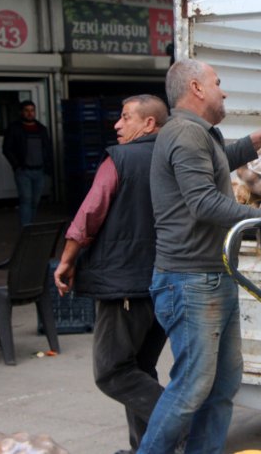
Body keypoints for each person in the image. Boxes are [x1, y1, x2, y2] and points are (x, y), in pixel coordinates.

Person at [136, 59, 261, 454]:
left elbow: (213, 167)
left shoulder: (199, 133)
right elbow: (203, 202)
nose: (224, 90)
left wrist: (256, 140)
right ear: (196, 88)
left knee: (223, 383)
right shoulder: (184, 134)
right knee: (192, 386)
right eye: (218, 83)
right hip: (191, 280)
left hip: (213, 274)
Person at [53, 94, 169, 454]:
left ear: (149, 124)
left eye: (125, 117)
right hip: (166, 283)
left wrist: (68, 258)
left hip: (125, 285)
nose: (117, 125)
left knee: (112, 372)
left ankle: (183, 421)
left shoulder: (121, 158)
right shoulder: (177, 158)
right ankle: (147, 448)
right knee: (140, 369)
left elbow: (90, 213)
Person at [2, 100, 54, 226]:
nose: (30, 113)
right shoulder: (14, 128)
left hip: (39, 171)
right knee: (26, 199)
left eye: (32, 110)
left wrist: (47, 166)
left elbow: (47, 148)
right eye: (27, 110)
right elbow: (7, 148)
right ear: (21, 112)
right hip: (23, 171)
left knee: (35, 201)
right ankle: (26, 228)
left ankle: (30, 225)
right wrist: (17, 166)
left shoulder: (41, 129)